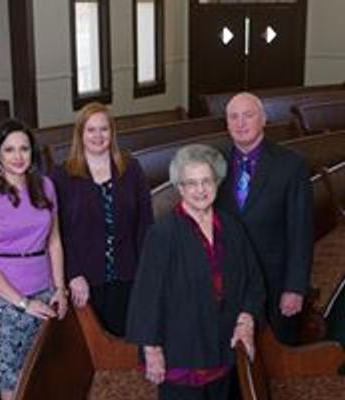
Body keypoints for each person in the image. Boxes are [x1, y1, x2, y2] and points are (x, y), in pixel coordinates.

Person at [126, 144, 265, 400]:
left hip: (224, 345)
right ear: (180, 188)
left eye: (206, 181)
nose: (200, 190)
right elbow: (147, 295)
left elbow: (254, 280)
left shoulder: (231, 227)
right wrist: (152, 349)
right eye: (191, 183)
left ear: (217, 182)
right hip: (182, 352)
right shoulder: (163, 234)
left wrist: (246, 319)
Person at [0, 119, 68, 400]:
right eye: (9, 150)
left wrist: (60, 288)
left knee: (40, 371)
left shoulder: (45, 186)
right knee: (11, 379)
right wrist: (22, 303)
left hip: (43, 290)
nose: (18, 156)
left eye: (24, 148)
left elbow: (54, 240)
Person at [216, 92, 313, 345]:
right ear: (226, 124)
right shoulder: (215, 164)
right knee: (232, 354)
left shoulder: (291, 165)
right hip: (230, 279)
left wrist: (295, 286)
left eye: (248, 115)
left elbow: (300, 232)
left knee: (277, 355)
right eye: (233, 117)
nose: (240, 123)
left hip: (275, 278)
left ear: (264, 119)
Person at [51, 102, 153, 337]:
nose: (98, 136)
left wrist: (146, 272)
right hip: (84, 280)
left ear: (112, 133)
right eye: (91, 130)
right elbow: (58, 232)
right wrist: (73, 274)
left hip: (128, 272)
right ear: (80, 134)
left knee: (128, 342)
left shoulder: (130, 168)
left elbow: (145, 224)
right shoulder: (62, 175)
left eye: (104, 129)